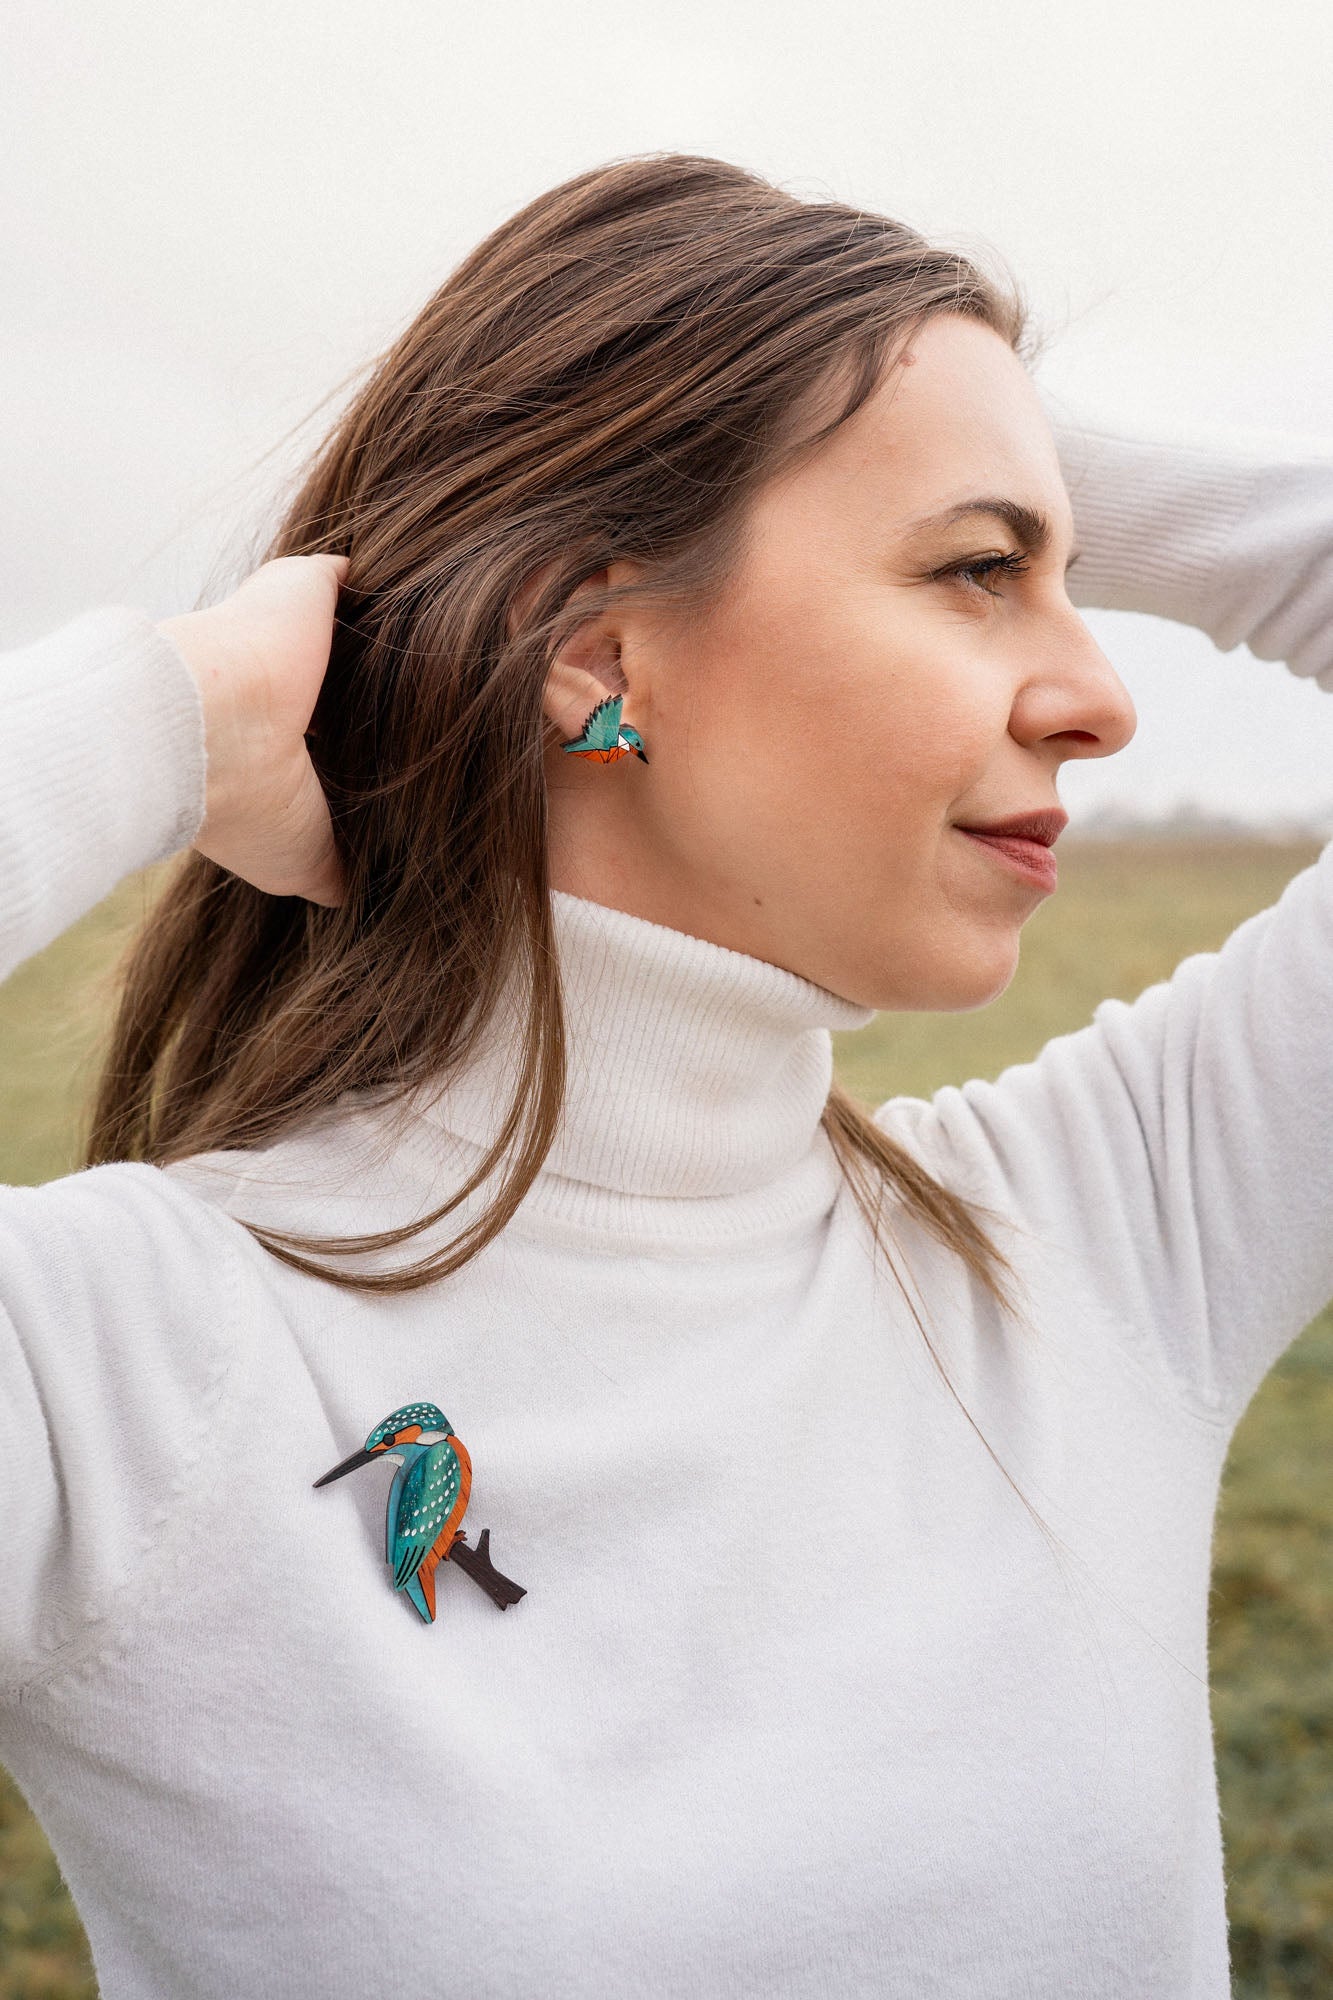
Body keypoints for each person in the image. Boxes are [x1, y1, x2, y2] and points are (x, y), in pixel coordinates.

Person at [1, 152, 1331, 2000]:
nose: (1099, 694)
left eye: (1069, 576)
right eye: (974, 573)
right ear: (595, 652)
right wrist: (153, 720)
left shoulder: (1100, 1245)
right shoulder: (113, 1367)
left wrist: (974, 426)